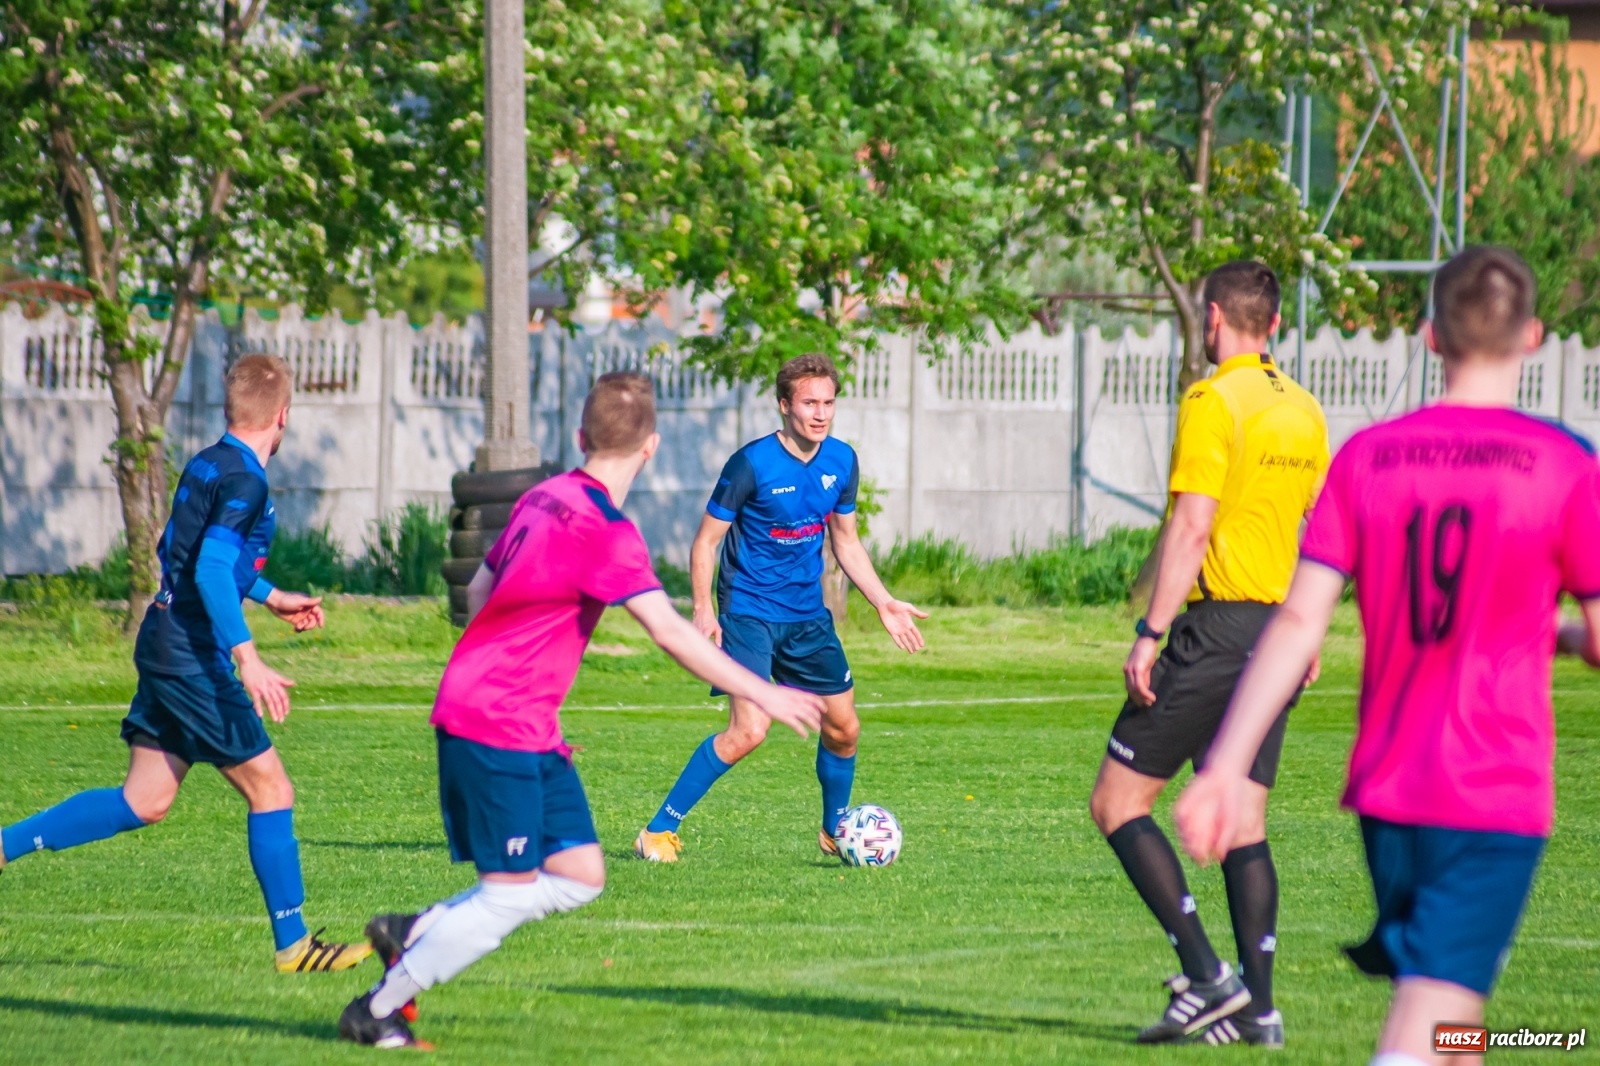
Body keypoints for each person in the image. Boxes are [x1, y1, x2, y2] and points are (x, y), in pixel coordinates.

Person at [1175, 246, 1600, 1066]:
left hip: (1390, 788)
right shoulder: (1563, 464)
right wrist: (1560, 634)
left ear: (1430, 335)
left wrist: (1225, 764)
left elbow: (1298, 621)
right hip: (1493, 789)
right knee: (1430, 1019)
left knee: (1456, 1026)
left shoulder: (1370, 456)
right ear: (1535, 338)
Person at [338, 372, 824, 1049]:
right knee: (507, 894)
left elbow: (476, 597)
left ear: (579, 437)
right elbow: (671, 632)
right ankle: (376, 1008)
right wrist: (765, 692)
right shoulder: (610, 531)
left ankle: (415, 931)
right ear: (651, 447)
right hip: (495, 722)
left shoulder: (541, 495)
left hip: (516, 719)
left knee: (581, 876)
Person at [0, 354, 370, 973]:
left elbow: (181, 553)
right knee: (272, 788)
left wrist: (273, 597)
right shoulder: (248, 481)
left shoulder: (206, 463)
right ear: (283, 417)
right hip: (193, 656)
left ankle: (5, 846)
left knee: (144, 799)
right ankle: (295, 945)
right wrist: (246, 658)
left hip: (163, 637)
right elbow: (208, 568)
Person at [1088, 261, 1329, 1046]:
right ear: (1278, 326)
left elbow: (1193, 527)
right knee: (1243, 822)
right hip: (1277, 630)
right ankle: (1260, 1012)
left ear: (1214, 317)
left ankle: (1207, 976)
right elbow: (1311, 534)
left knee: (1118, 803)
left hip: (1216, 629)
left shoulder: (1211, 398)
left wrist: (1150, 634)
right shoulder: (1305, 410)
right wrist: (1308, 629)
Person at [631, 353, 926, 864]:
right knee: (749, 731)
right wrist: (704, 610)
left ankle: (835, 830)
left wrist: (882, 602)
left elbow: (847, 542)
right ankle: (657, 831)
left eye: (829, 403)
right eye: (810, 402)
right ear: (785, 404)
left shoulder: (841, 461)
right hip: (748, 613)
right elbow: (705, 544)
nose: (821, 413)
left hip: (808, 617)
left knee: (844, 729)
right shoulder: (751, 464)